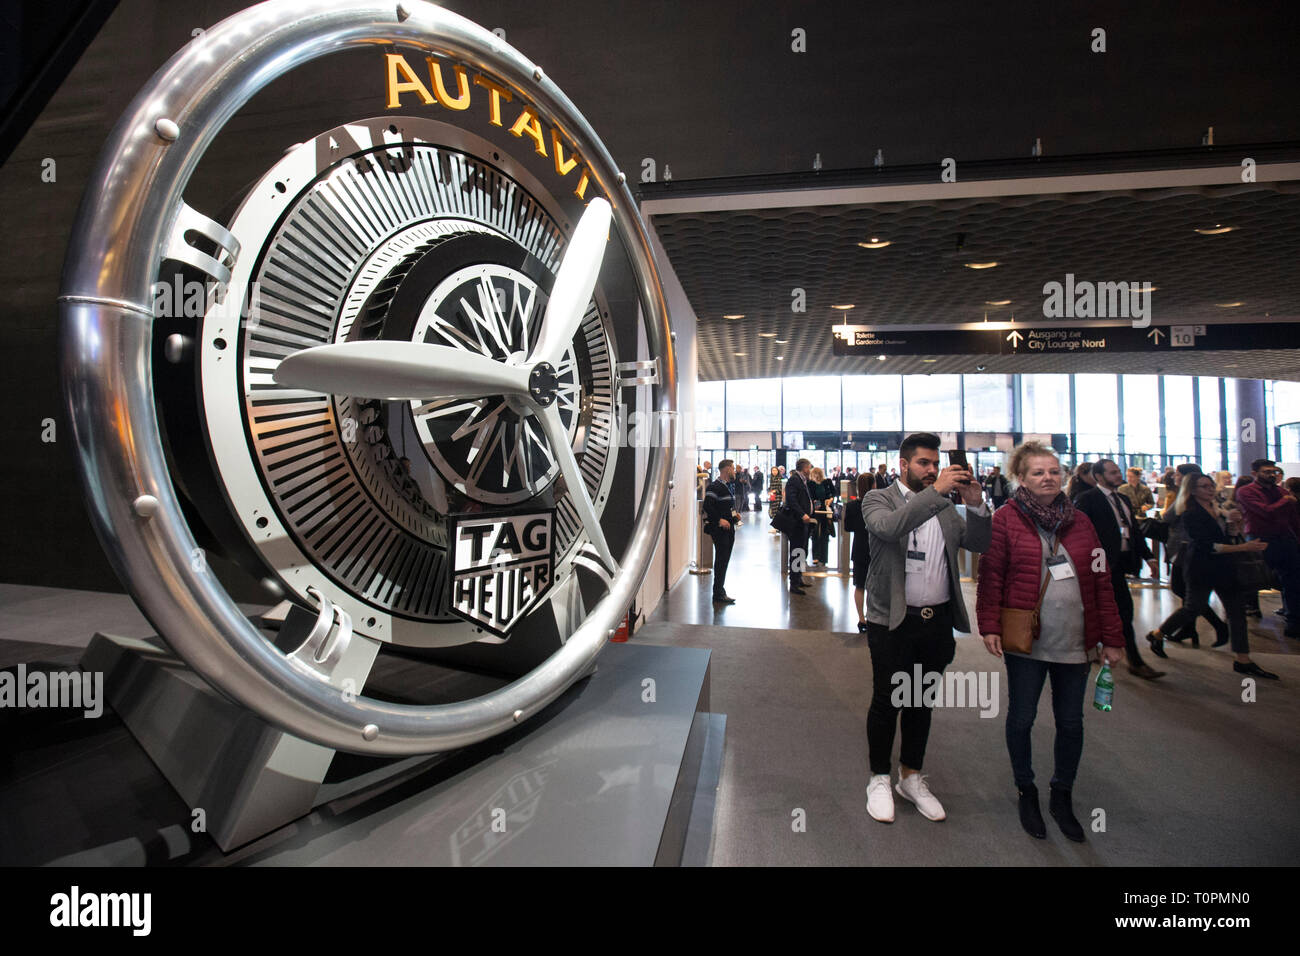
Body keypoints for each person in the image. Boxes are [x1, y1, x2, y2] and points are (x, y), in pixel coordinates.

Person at [975, 441, 1125, 842]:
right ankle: (1027, 789)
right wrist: (989, 624)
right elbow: (991, 576)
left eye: (1054, 472)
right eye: (1038, 472)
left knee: (1071, 722)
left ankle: (1063, 793)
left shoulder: (1081, 522)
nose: (1047, 478)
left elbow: (1101, 581)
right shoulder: (1005, 520)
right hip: (1027, 641)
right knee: (1022, 717)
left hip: (1075, 642)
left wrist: (1112, 637)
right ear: (1020, 479)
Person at [861, 433, 991, 824]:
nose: (932, 470)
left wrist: (977, 505)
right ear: (903, 465)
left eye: (935, 463)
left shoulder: (945, 507)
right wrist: (936, 491)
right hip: (892, 622)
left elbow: (979, 543)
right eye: (924, 463)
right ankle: (879, 777)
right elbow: (889, 528)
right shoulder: (878, 499)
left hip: (936, 624)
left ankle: (911, 777)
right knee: (888, 700)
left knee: (920, 702)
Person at [1145, 473, 1278, 678]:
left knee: (1236, 612)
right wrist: (1244, 546)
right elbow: (1208, 546)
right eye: (1204, 486)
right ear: (1193, 490)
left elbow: (1226, 537)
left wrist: (1233, 526)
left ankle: (1243, 659)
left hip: (1224, 567)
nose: (1209, 489)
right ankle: (1158, 634)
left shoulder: (1219, 509)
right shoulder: (1191, 513)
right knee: (1193, 608)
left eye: (1210, 485)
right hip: (1201, 567)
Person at [1074, 459, 1164, 679]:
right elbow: (1078, 533)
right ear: (1099, 477)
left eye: (1118, 471)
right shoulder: (1088, 500)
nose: (1118, 475)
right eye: (1112, 472)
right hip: (1100, 566)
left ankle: (1104, 650)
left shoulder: (1122, 499)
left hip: (1122, 563)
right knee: (1122, 611)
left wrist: (1149, 557)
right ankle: (1134, 660)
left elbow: (1133, 532)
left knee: (1118, 611)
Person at [1234, 458, 1300, 637]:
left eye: (1273, 472)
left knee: (1293, 582)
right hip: (1260, 540)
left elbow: (1293, 518)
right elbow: (1264, 510)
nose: (1271, 475)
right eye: (1267, 472)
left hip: (1285, 540)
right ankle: (1241, 621)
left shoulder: (1280, 491)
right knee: (1253, 579)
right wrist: (1285, 500)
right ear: (1255, 473)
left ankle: (1294, 623)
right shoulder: (1246, 492)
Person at [702, 460, 741, 606]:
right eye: (732, 467)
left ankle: (720, 591)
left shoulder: (727, 486)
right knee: (721, 560)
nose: (734, 470)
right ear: (726, 469)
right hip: (720, 530)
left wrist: (734, 516)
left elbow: (726, 507)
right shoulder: (714, 486)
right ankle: (718, 593)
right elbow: (708, 505)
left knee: (724, 560)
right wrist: (719, 520)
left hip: (729, 529)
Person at [781, 458, 817, 594]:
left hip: (804, 523)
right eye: (809, 467)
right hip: (797, 522)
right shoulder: (794, 480)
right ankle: (794, 583)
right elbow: (792, 500)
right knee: (797, 552)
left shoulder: (802, 480)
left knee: (802, 551)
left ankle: (799, 578)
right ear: (804, 468)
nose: (810, 470)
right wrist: (802, 514)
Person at [846, 471, 876, 633]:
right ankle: (872, 616)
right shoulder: (877, 506)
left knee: (859, 585)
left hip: (858, 548)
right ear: (873, 486)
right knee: (874, 586)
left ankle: (861, 619)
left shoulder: (852, 506)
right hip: (876, 549)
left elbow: (847, 527)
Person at [808, 466, 835, 567]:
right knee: (814, 533)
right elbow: (810, 496)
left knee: (825, 534)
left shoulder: (827, 482)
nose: (816, 476)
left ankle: (823, 558)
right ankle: (815, 556)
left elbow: (834, 492)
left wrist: (831, 499)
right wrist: (813, 501)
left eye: (818, 474)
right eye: (815, 474)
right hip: (815, 511)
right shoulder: (810, 483)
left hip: (825, 510)